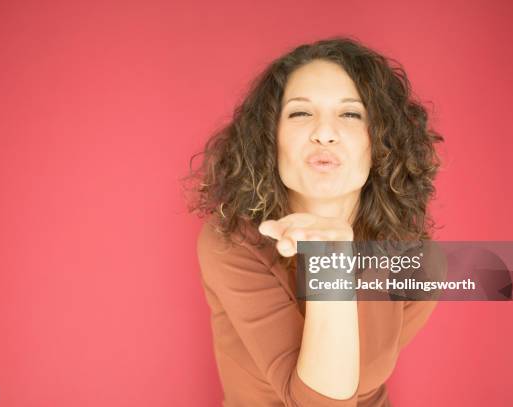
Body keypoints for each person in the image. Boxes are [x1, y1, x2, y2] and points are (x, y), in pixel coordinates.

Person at [184, 36, 444, 406]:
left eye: (351, 114)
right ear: (269, 139)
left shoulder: (418, 260)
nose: (324, 132)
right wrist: (331, 258)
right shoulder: (233, 242)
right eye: (301, 113)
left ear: (383, 142)